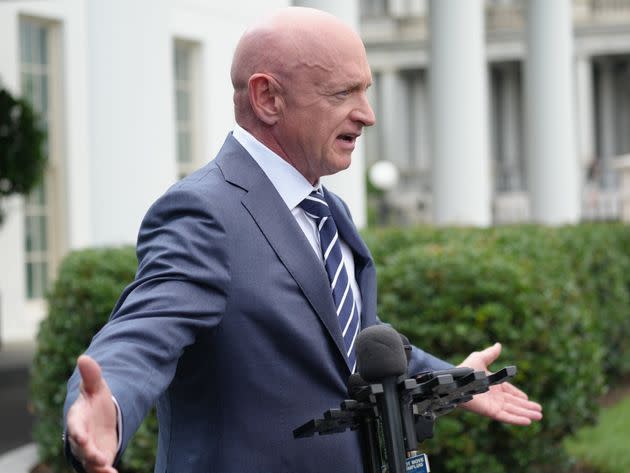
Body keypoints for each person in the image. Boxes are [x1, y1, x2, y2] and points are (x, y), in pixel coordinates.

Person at [63, 7, 542, 473]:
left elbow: (349, 341)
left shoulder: (329, 209)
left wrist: (456, 381)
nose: (368, 115)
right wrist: (107, 404)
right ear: (268, 98)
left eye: (366, 91)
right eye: (344, 93)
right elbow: (143, 334)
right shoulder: (203, 213)